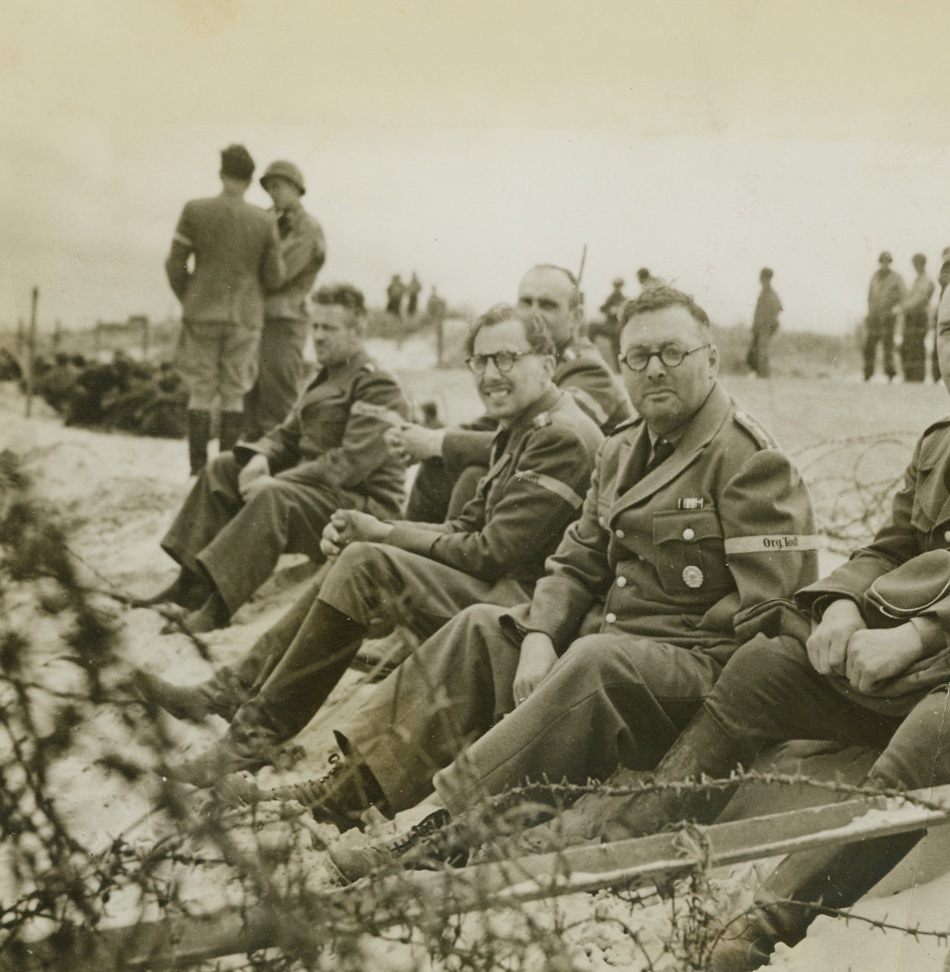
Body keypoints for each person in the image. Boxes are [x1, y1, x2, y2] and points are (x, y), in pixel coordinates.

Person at [502, 243, 950, 971]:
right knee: (763, 667)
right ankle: (634, 844)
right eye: (948, 329)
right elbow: (889, 546)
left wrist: (918, 635)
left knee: (941, 723)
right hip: (937, 653)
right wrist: (839, 605)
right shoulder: (942, 442)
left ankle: (764, 926)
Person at [255, 286, 818, 851]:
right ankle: (351, 791)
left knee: (596, 659)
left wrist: (616, 646)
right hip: (614, 651)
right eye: (638, 356)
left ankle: (446, 828)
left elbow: (770, 615)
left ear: (711, 359)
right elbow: (575, 560)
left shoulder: (749, 458)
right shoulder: (622, 449)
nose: (654, 369)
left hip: (694, 675)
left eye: (673, 352)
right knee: (483, 628)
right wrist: (542, 635)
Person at [141, 303, 605, 786]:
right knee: (360, 556)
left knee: (366, 564)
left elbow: (489, 552)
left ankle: (250, 737)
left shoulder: (559, 436)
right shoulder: (524, 425)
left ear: (547, 364)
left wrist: (384, 534)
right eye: (480, 361)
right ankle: (230, 693)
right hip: (500, 590)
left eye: (506, 358)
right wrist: (374, 529)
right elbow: (465, 526)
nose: (490, 375)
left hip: (524, 612)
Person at [133, 284, 408, 633]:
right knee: (223, 468)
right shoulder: (325, 377)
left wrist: (277, 480)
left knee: (273, 496)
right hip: (320, 494)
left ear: (358, 330)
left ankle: (217, 608)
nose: (318, 336)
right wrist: (261, 457)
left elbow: (349, 465)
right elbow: (287, 434)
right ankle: (189, 586)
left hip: (362, 506)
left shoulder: (377, 384)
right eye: (315, 326)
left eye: (329, 328)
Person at [403, 264, 633, 523]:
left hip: (585, 514)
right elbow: (491, 424)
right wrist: (425, 440)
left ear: (576, 317)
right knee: (439, 465)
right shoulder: (524, 361)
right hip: (545, 489)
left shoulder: (588, 370)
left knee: (472, 473)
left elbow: (536, 439)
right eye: (526, 302)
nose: (534, 313)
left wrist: (438, 442)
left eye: (547, 305)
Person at [164, 144, 286, 474]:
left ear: (221, 174)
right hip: (245, 316)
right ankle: (224, 473)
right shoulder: (264, 220)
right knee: (234, 393)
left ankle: (196, 472)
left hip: (201, 313)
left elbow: (174, 264)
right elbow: (275, 276)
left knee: (200, 391)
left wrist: (190, 298)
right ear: (250, 180)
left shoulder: (195, 210)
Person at [243, 160, 327, 440]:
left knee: (278, 399)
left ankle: (280, 461)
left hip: (284, 320)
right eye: (269, 188)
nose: (272, 194)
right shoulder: (270, 221)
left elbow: (277, 273)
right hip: (256, 319)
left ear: (295, 188)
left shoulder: (306, 228)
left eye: (278, 187)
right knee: (250, 399)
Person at [863, 251, 905, 383]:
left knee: (888, 346)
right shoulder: (875, 276)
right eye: (882, 261)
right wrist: (870, 312)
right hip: (875, 316)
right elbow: (870, 296)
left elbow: (902, 295)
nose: (885, 264)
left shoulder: (896, 277)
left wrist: (895, 309)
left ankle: (890, 374)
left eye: (887, 261)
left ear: (890, 262)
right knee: (870, 345)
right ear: (880, 262)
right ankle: (867, 374)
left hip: (888, 317)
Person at [897, 253, 934, 382]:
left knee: (917, 346)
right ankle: (909, 376)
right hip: (911, 317)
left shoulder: (926, 280)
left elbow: (920, 299)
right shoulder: (917, 280)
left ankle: (917, 377)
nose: (915, 266)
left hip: (919, 317)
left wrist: (903, 307)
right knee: (907, 345)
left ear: (921, 264)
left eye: (916, 264)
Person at [746, 267, 782, 379]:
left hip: (765, 327)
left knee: (762, 349)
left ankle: (763, 375)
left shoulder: (770, 294)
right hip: (760, 327)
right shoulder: (764, 293)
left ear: (766, 278)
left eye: (762, 277)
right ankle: (760, 374)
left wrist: (769, 323)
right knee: (757, 349)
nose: (760, 279)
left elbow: (779, 308)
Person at [588, 276, 627, 369]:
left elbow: (627, 312)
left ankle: (618, 368)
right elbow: (602, 308)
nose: (617, 288)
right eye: (616, 286)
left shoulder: (624, 299)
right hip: (608, 325)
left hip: (617, 326)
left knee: (617, 343)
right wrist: (609, 310)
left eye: (619, 286)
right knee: (592, 326)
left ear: (621, 287)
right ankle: (588, 350)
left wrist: (618, 311)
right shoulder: (611, 297)